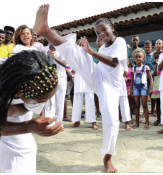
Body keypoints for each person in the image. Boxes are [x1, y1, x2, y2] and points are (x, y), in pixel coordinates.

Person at [33, 4, 127, 172]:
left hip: (110, 86)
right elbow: (101, 62)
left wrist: (91, 53)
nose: (102, 34)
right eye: (98, 33)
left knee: (112, 122)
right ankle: (46, 31)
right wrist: (87, 53)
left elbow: (113, 63)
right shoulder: (103, 47)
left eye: (104, 30)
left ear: (112, 28)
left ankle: (107, 158)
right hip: (98, 75)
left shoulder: (120, 41)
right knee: (77, 53)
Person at [69, 39, 98, 130]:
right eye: (80, 45)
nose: (82, 47)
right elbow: (72, 67)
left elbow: (92, 67)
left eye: (83, 45)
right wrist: (73, 69)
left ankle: (93, 122)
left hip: (88, 79)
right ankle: (77, 121)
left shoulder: (89, 55)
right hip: (78, 78)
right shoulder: (74, 55)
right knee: (77, 100)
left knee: (90, 100)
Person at [43, 29, 68, 131]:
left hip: (61, 79)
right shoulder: (44, 49)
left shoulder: (62, 50)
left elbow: (66, 65)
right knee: (49, 103)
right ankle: (49, 124)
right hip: (48, 80)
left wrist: (54, 57)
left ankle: (59, 124)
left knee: (60, 102)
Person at [130, 50, 153, 130]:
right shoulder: (133, 69)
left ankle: (146, 123)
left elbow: (150, 78)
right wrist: (131, 90)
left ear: (143, 58)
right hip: (136, 88)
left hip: (144, 88)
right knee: (136, 105)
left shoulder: (146, 67)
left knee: (144, 105)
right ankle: (137, 123)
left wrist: (151, 88)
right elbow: (132, 80)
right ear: (133, 59)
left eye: (139, 57)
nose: (138, 58)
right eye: (136, 57)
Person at [142, 40, 156, 117]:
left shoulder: (153, 56)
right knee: (144, 95)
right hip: (144, 77)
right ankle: (144, 111)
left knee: (152, 94)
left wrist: (152, 74)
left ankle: (153, 111)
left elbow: (154, 66)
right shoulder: (142, 55)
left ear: (151, 47)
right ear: (143, 48)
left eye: (148, 47)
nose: (147, 48)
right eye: (146, 47)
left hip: (152, 77)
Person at [93, 38, 103, 117]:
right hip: (95, 74)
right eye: (98, 41)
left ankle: (104, 110)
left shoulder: (106, 50)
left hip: (104, 74)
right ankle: (98, 110)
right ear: (96, 42)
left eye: (101, 40)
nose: (100, 42)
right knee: (96, 94)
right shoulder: (93, 51)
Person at [152, 51, 162, 126]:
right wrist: (157, 64)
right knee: (158, 102)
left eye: (158, 58)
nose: (157, 59)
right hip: (157, 84)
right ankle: (158, 118)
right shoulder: (155, 66)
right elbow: (156, 73)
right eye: (155, 58)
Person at [125, 58, 134, 124]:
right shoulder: (120, 69)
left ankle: (130, 118)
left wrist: (128, 79)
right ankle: (121, 117)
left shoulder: (131, 70)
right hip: (121, 88)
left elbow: (134, 79)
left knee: (130, 103)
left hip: (129, 87)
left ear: (128, 63)